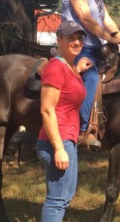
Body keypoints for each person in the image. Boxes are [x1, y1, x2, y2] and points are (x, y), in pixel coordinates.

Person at [61, 0, 120, 149]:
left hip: (95, 47)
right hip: (77, 46)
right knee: (92, 77)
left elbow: (106, 20)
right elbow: (85, 18)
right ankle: (84, 130)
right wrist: (110, 38)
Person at [37, 20, 92, 222]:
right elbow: (47, 110)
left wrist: (77, 69)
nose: (77, 42)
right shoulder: (55, 68)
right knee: (57, 200)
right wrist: (59, 148)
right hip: (56, 141)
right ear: (59, 39)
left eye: (79, 38)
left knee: (64, 198)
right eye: (71, 38)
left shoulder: (68, 67)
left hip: (66, 140)